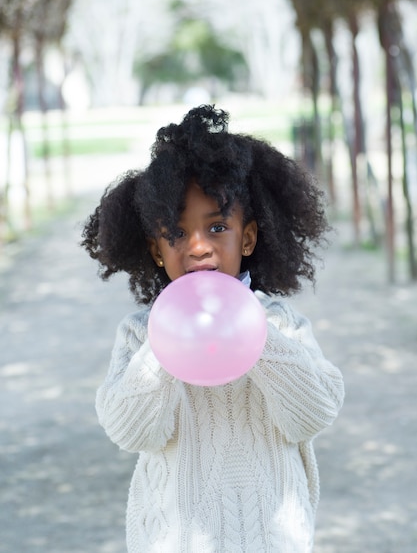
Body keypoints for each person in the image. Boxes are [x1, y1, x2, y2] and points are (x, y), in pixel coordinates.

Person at [81, 105, 344, 553]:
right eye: (177, 234)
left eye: (217, 227)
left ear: (247, 239)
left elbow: (313, 413)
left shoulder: (279, 322)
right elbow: (131, 432)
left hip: (271, 539)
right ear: (157, 251)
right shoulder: (140, 334)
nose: (199, 246)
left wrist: (252, 331)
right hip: (173, 539)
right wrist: (165, 341)